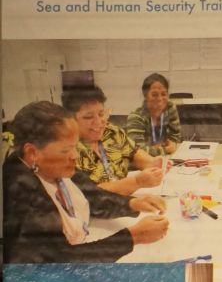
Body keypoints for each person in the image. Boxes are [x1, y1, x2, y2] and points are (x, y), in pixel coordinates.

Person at [3, 101, 169, 264]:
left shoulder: (50, 166)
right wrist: (133, 237)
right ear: (32, 153)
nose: (75, 155)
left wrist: (133, 203)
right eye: (66, 150)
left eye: (75, 146)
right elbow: (63, 261)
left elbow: (90, 194)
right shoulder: (20, 191)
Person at [64, 86, 165, 196]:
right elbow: (90, 195)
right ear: (71, 120)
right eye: (89, 117)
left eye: (101, 114)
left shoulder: (111, 132)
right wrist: (137, 182)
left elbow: (134, 153)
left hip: (125, 202)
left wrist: (152, 163)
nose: (99, 122)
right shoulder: (68, 150)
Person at [125, 72, 181, 156]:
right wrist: (164, 150)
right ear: (145, 95)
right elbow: (137, 151)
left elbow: (176, 137)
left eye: (164, 94)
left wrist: (170, 145)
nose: (160, 98)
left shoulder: (170, 108)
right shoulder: (136, 117)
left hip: (167, 158)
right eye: (154, 95)